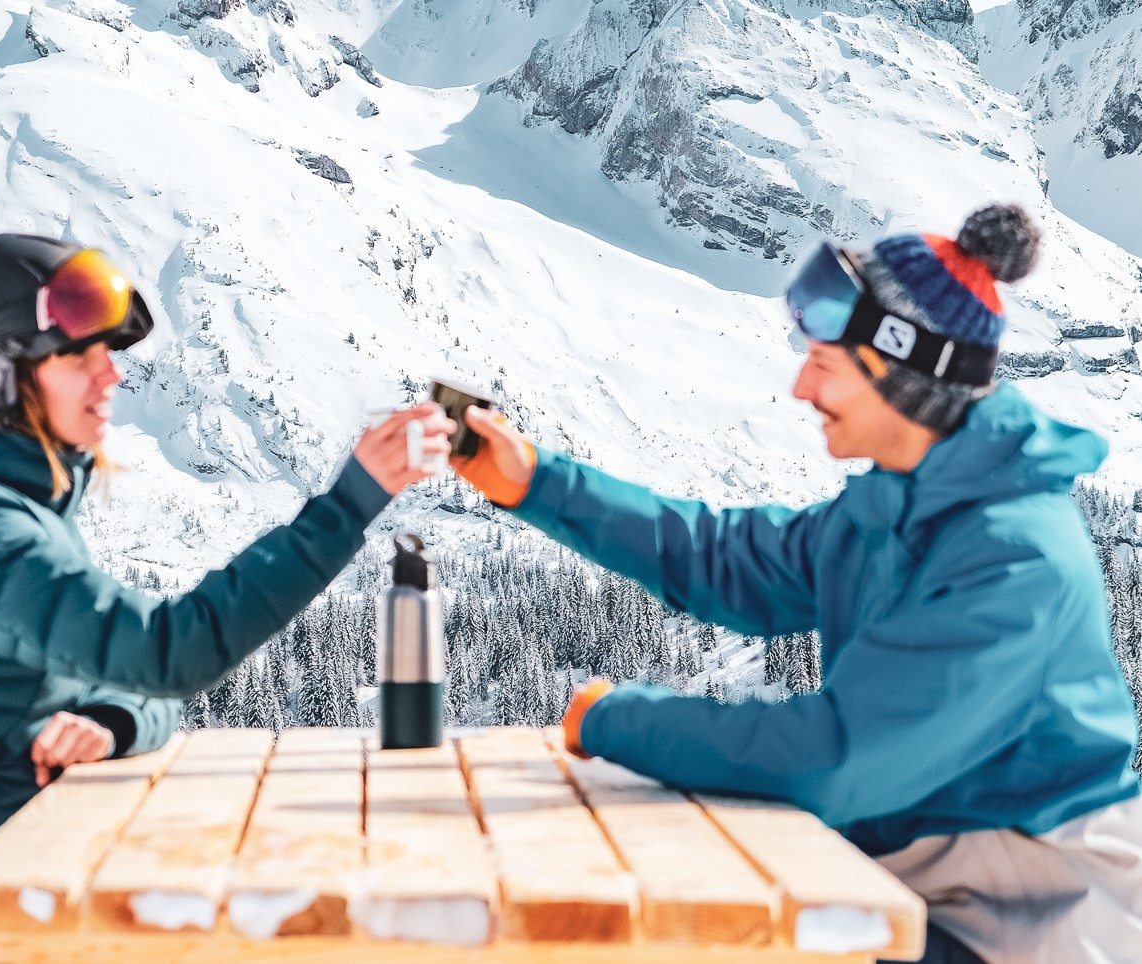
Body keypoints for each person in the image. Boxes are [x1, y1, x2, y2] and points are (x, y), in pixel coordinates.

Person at [454, 204, 1142, 964]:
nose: (799, 388)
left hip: (1036, 917)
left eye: (823, 364)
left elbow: (832, 760)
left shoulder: (1015, 561)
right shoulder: (892, 507)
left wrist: (612, 721)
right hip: (917, 885)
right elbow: (724, 558)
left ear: (899, 376)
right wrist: (537, 485)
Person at [0, 234, 453, 964]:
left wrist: (108, 721)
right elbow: (165, 654)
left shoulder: (18, 505)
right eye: (81, 357)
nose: (112, 378)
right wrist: (350, 502)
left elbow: (142, 685)